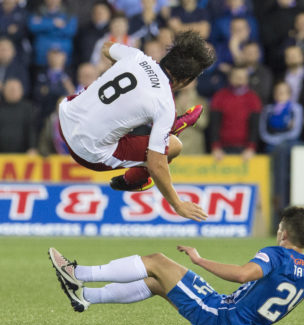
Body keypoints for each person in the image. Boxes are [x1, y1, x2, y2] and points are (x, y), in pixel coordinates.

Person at [49, 206, 304, 325]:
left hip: (222, 318)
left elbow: (243, 274)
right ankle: (85, 297)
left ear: (283, 232)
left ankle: (78, 273)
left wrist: (199, 260)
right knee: (157, 283)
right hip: (234, 317)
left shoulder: (276, 254)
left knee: (158, 260)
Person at [57, 30, 215, 221]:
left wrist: (120, 68)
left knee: (117, 119)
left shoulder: (136, 56)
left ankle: (168, 128)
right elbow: (157, 165)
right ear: (186, 80)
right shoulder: (164, 103)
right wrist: (177, 204)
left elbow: (107, 47)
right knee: (173, 146)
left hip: (65, 117)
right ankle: (133, 179)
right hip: (87, 152)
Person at [209, 66, 262, 162]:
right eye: (237, 77)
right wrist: (215, 147)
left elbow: (255, 126)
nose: (240, 80)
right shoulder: (219, 97)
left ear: (247, 79)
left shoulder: (253, 99)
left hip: (245, 151)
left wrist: (251, 148)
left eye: (243, 77)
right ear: (230, 78)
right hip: (222, 150)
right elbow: (214, 124)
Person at [0, 79, 36, 153]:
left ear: (21, 91)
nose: (12, 92)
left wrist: (32, 147)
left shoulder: (28, 108)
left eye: (15, 89)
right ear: (4, 91)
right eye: (10, 89)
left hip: (22, 155)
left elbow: (31, 129)